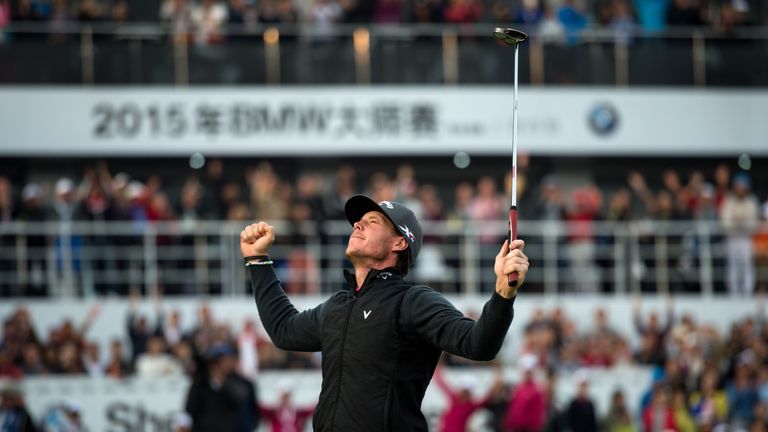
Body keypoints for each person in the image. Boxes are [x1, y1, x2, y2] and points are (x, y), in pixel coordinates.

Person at [240, 195, 529, 431]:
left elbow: (479, 345)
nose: (357, 225)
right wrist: (257, 260)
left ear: (399, 242)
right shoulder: (337, 305)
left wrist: (504, 293)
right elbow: (283, 329)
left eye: (372, 221)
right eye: (358, 221)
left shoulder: (413, 300)